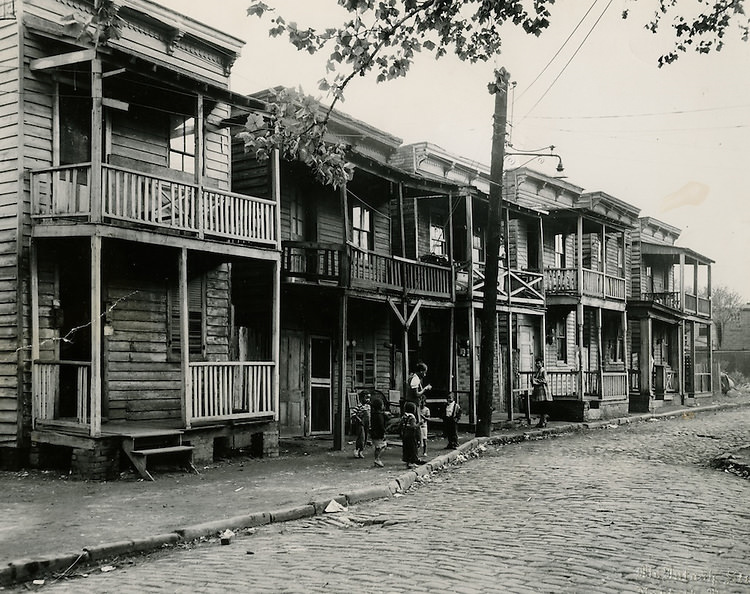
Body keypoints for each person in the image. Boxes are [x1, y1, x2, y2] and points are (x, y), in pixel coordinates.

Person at [400, 401, 423, 467]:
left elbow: (401, 424)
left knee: (406, 448)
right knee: (412, 448)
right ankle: (412, 462)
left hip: (405, 434)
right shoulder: (412, 417)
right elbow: (413, 426)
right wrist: (419, 424)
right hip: (411, 435)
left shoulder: (404, 416)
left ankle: (407, 462)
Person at [531, 357, 552, 428]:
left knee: (543, 406)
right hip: (538, 391)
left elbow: (545, 380)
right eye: (536, 363)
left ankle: (543, 421)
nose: (537, 365)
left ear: (542, 363)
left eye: (538, 363)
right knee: (540, 406)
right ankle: (541, 421)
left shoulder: (543, 371)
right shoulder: (538, 371)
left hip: (543, 390)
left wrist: (536, 381)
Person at [350, 392, 371, 458]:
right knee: (361, 437)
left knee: (366, 438)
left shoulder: (368, 406)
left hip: (367, 424)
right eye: (366, 398)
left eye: (369, 398)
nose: (368, 400)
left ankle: (361, 451)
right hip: (360, 424)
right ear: (362, 398)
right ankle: (356, 450)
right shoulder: (359, 406)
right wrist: (359, 419)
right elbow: (353, 413)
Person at [370, 396, 387, 467]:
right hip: (379, 434)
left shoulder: (373, 414)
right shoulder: (379, 415)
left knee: (378, 447)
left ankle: (377, 459)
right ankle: (377, 459)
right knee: (382, 446)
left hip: (374, 433)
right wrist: (384, 432)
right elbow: (381, 425)